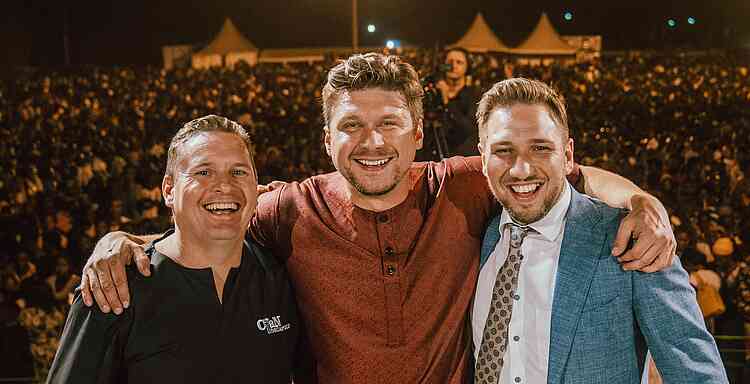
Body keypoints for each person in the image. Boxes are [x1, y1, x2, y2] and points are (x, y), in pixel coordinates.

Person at [81, 53, 676, 383]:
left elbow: (569, 174)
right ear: (326, 139)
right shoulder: (289, 209)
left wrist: (641, 202)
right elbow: (208, 217)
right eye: (351, 126)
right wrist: (124, 240)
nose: (372, 141)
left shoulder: (464, 186)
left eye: (390, 123)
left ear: (418, 132)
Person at [471, 78, 726, 384]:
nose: (521, 168)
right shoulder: (475, 235)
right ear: (483, 160)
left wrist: (644, 200)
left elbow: (696, 373)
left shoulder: (634, 239)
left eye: (540, 148)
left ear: (567, 156)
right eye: (503, 150)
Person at [47, 115, 299, 383]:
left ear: (256, 186)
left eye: (239, 172)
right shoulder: (113, 289)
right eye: (204, 172)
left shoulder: (283, 277)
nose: (225, 185)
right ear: (169, 190)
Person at [418, 47, 480, 161]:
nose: (453, 66)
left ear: (468, 68)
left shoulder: (474, 96)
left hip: (459, 160)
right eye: (449, 62)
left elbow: (468, 129)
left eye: (459, 62)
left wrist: (446, 101)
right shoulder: (433, 93)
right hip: (431, 158)